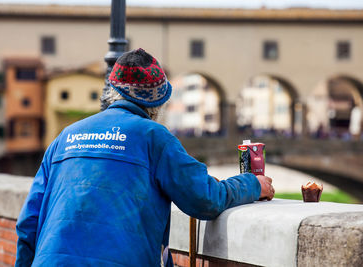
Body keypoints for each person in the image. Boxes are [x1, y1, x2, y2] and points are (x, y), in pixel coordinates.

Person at [15, 48, 275, 267]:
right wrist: (253, 184)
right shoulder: (154, 137)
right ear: (158, 102)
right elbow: (205, 199)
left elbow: (28, 223)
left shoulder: (65, 137)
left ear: (112, 90)